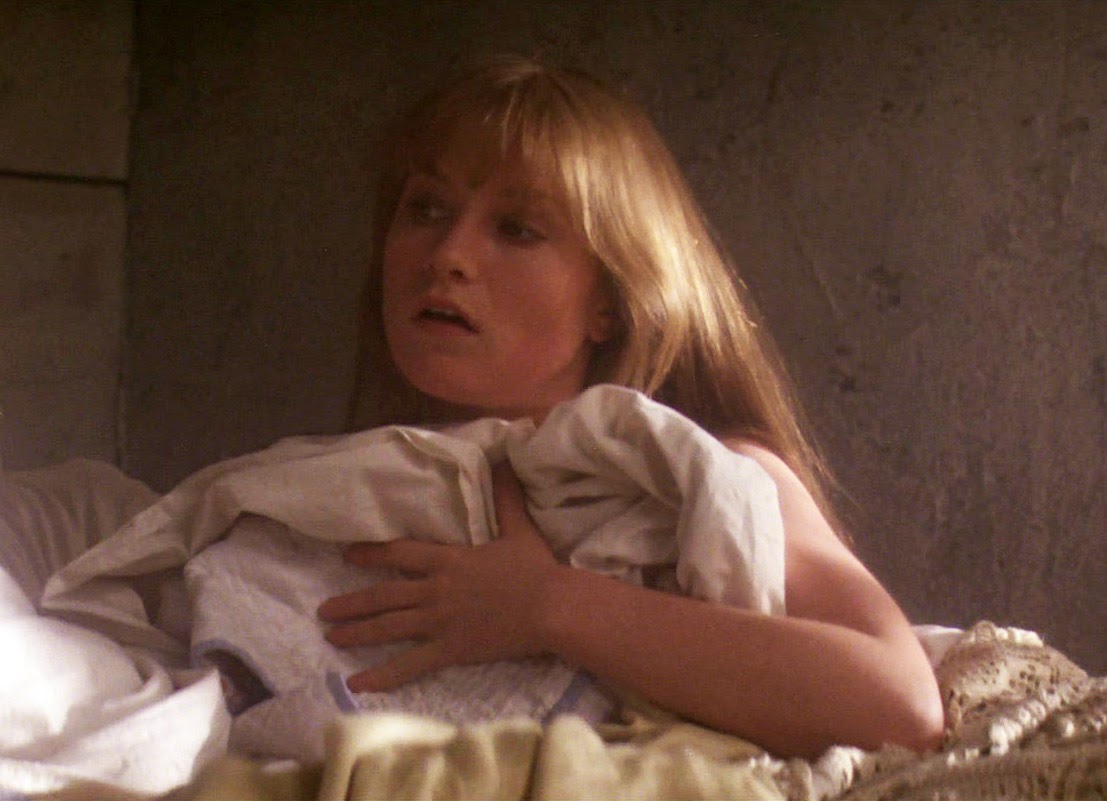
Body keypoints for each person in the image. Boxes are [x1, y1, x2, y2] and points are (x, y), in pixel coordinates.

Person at [318, 55, 945, 760]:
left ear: (610, 305)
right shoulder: (349, 492)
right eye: (427, 209)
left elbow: (898, 705)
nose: (448, 255)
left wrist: (545, 604)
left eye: (517, 228)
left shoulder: (704, 474)